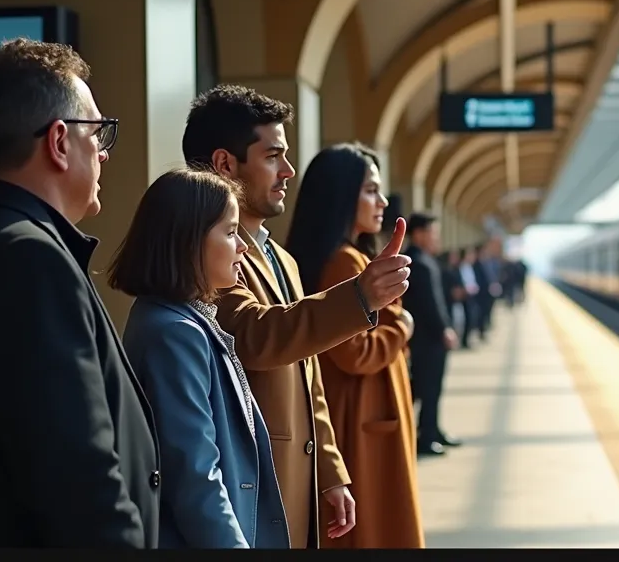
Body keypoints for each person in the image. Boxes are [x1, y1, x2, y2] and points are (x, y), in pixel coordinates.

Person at [0, 39, 160, 547]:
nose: (104, 152)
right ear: (58, 141)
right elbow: (77, 475)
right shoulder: (26, 258)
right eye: (98, 132)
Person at [181, 84, 412, 548]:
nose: (288, 171)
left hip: (297, 478)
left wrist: (331, 471)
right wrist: (361, 300)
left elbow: (311, 378)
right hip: (255, 482)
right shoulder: (205, 254)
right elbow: (253, 336)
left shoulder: (282, 259)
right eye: (273, 157)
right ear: (226, 164)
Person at [110, 169, 290, 548]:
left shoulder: (182, 320)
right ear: (188, 241)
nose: (242, 245)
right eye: (229, 232)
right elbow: (196, 474)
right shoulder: (176, 332)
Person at [286, 143, 424, 548]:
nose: (381, 202)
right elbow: (356, 353)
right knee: (376, 531)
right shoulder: (344, 263)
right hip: (361, 426)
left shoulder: (345, 258)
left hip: (364, 421)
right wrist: (402, 321)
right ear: (341, 194)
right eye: (369, 191)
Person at [401, 213, 461, 457]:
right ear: (418, 234)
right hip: (428, 338)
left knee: (430, 387)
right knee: (429, 387)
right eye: (432, 232)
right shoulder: (421, 263)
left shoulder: (421, 260)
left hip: (424, 337)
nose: (436, 238)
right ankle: (426, 436)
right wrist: (444, 328)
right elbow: (431, 303)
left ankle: (433, 430)